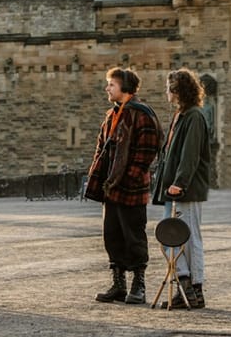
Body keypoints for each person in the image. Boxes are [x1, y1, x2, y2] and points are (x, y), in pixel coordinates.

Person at [85, 67, 162, 305]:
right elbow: (102, 148)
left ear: (125, 87)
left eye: (111, 84)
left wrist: (129, 177)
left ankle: (139, 285)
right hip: (111, 187)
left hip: (131, 188)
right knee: (112, 236)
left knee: (134, 236)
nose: (107, 88)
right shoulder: (112, 114)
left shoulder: (142, 114)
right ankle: (118, 285)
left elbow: (146, 152)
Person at [152, 68, 211, 309]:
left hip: (184, 189)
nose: (166, 92)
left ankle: (193, 288)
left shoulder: (194, 117)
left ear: (178, 91)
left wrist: (180, 183)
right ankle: (185, 284)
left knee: (189, 238)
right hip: (172, 188)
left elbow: (190, 155)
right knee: (171, 239)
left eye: (168, 88)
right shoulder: (181, 115)